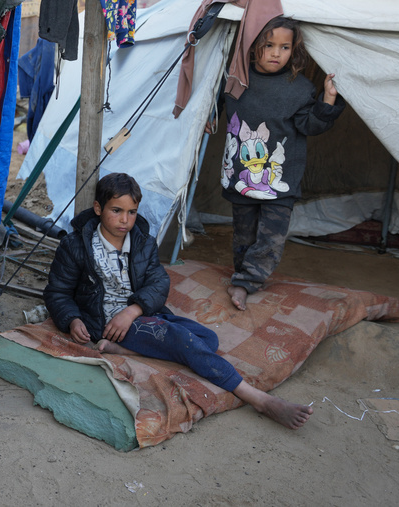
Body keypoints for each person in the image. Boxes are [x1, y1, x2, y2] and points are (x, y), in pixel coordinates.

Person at [44, 172, 313, 430]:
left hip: (139, 315)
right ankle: (259, 399)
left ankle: (124, 351)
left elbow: (159, 282)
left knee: (207, 339)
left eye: (132, 212)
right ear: (98, 208)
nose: (125, 220)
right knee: (181, 340)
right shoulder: (77, 246)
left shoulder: (143, 242)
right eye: (116, 210)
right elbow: (57, 292)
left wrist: (133, 311)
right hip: (106, 321)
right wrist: (73, 319)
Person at [218, 16, 344, 310]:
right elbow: (213, 105)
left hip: (279, 179)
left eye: (285, 47)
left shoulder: (299, 89)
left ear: (294, 50)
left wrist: (327, 99)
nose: (276, 53)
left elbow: (310, 125)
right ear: (252, 46)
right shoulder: (236, 79)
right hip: (241, 176)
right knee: (244, 236)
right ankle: (242, 276)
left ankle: (246, 282)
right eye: (268, 44)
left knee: (271, 238)